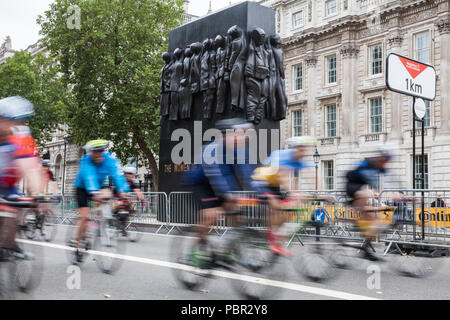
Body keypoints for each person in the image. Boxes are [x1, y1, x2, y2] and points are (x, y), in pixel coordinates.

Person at [182, 118, 256, 249]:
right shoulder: (212, 149)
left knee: (237, 214)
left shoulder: (239, 150)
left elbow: (248, 172)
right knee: (212, 214)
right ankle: (196, 247)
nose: (242, 137)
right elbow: (216, 175)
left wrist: (260, 192)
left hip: (220, 183)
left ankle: (230, 249)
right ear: (225, 135)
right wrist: (229, 195)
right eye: (237, 134)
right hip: (200, 183)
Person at [252, 136, 322, 253]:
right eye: (302, 149)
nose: (305, 153)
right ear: (295, 149)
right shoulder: (282, 156)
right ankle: (271, 237)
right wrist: (296, 193)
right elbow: (284, 177)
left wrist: (324, 194)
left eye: (306, 150)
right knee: (277, 206)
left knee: (293, 209)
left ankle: (275, 236)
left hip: (274, 186)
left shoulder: (298, 160)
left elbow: (313, 176)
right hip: (261, 182)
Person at [0, 96, 45, 259]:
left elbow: (31, 168)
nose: (13, 127)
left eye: (17, 123)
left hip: (7, 185)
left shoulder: (22, 137)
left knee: (14, 208)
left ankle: (9, 246)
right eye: (8, 122)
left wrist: (37, 195)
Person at [72, 139, 130, 263]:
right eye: (95, 152)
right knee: (84, 216)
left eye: (100, 152)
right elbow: (89, 177)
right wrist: (94, 193)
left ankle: (99, 222)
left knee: (106, 195)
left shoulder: (109, 160)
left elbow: (117, 175)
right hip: (82, 188)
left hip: (98, 186)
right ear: (90, 152)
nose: (98, 155)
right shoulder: (86, 161)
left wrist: (123, 191)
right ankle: (78, 244)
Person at [345, 145, 403, 261]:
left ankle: (365, 249)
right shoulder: (369, 164)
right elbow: (376, 188)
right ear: (381, 158)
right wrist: (391, 195)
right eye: (386, 160)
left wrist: (403, 193)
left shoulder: (381, 167)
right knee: (367, 194)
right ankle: (358, 223)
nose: (386, 163)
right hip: (352, 187)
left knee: (376, 223)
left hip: (361, 188)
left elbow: (393, 180)